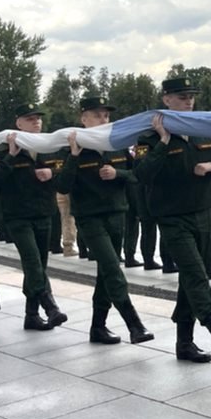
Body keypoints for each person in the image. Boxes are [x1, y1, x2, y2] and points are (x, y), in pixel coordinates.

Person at [135, 77, 211, 363]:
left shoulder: (204, 129)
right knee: (197, 275)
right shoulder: (149, 137)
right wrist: (162, 141)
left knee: (191, 276)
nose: (188, 102)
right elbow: (143, 173)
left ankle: (184, 343)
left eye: (191, 97)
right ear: (166, 100)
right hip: (172, 217)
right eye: (182, 97)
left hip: (203, 212)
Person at [56, 96, 153, 344]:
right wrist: (74, 157)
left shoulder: (117, 145)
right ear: (83, 119)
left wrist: (117, 173)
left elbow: (137, 175)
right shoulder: (71, 147)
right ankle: (134, 324)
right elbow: (62, 186)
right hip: (90, 218)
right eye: (97, 115)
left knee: (105, 274)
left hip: (116, 213)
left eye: (106, 115)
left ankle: (97, 327)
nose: (103, 119)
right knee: (112, 268)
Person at [0, 103, 68, 331]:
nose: (36, 122)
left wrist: (53, 173)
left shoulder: (49, 148)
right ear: (18, 123)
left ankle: (31, 315)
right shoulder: (2, 150)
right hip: (17, 216)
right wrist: (10, 158)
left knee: (39, 265)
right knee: (32, 262)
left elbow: (65, 181)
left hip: (44, 214)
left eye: (38, 118)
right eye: (29, 119)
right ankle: (50, 306)